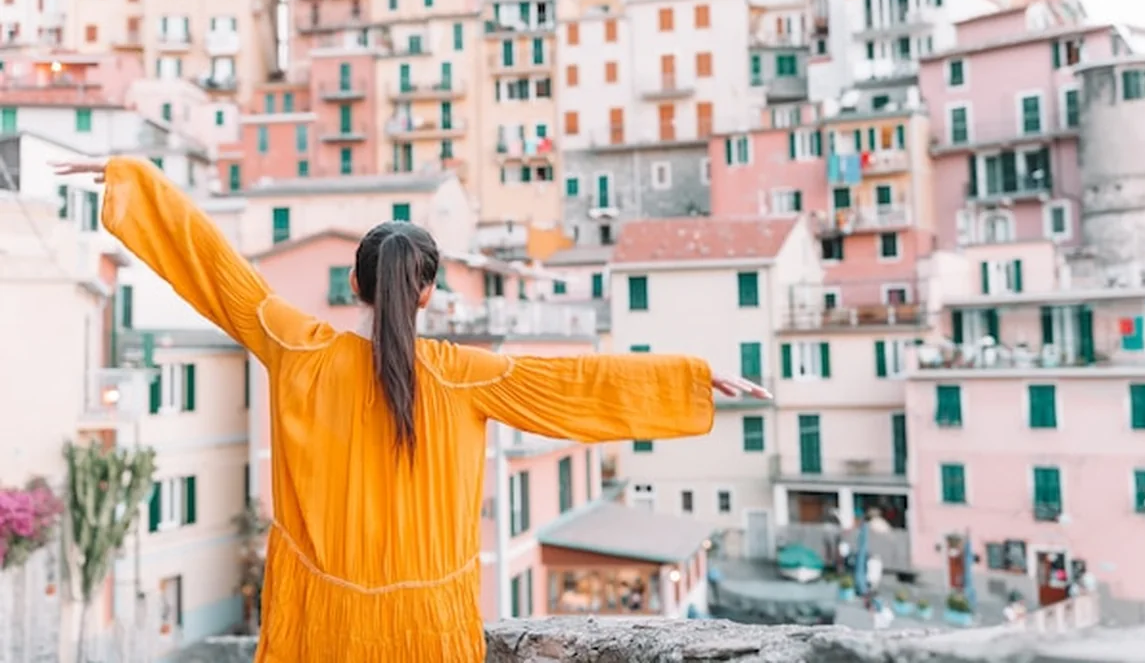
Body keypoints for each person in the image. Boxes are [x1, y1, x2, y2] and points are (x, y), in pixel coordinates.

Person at [55, 157, 772, 663]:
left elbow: (216, 270)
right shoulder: (463, 374)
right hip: (430, 633)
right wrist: (691, 378)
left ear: (357, 284)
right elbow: (578, 386)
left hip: (320, 633)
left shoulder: (296, 348)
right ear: (427, 292)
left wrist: (134, 184)